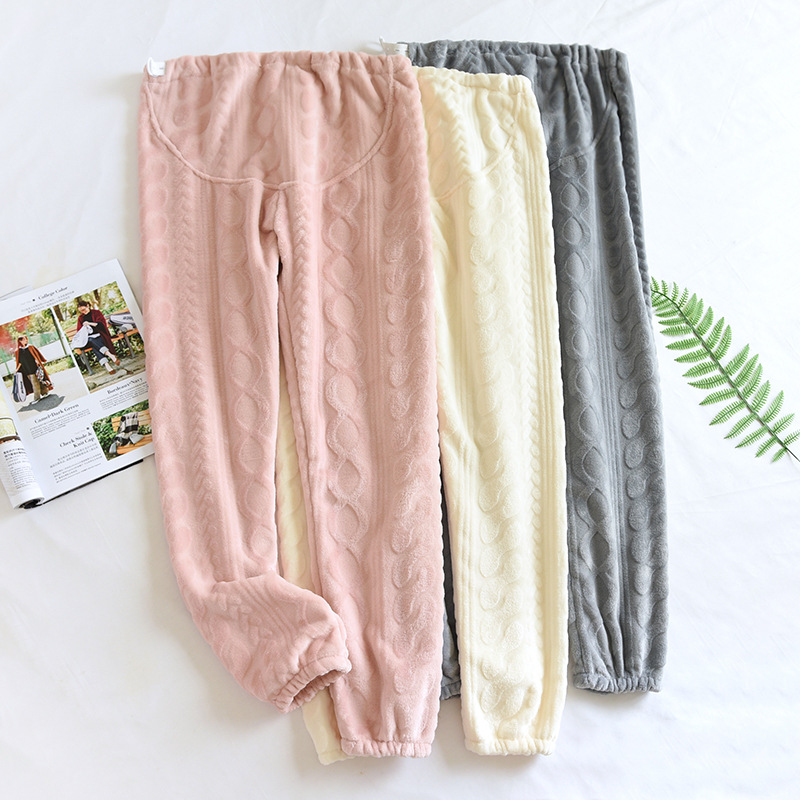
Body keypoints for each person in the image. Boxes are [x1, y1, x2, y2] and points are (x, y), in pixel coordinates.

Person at [76, 298, 121, 374]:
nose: (83, 312)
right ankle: (110, 355)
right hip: (88, 338)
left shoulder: (96, 313)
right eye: (81, 311)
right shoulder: (81, 318)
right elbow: (79, 331)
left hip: (100, 335)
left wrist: (89, 323)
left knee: (94, 345)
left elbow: (101, 325)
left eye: (84, 309)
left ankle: (108, 366)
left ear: (88, 306)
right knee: (91, 340)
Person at [14, 335, 52, 402]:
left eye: (26, 339)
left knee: (35, 383)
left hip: (34, 368)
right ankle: (45, 392)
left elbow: (36, 356)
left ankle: (36, 398)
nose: (26, 340)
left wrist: (38, 362)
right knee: (37, 382)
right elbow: (19, 362)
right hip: (26, 370)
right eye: (24, 339)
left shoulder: (30, 347)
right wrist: (17, 369)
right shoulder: (18, 351)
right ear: (20, 341)